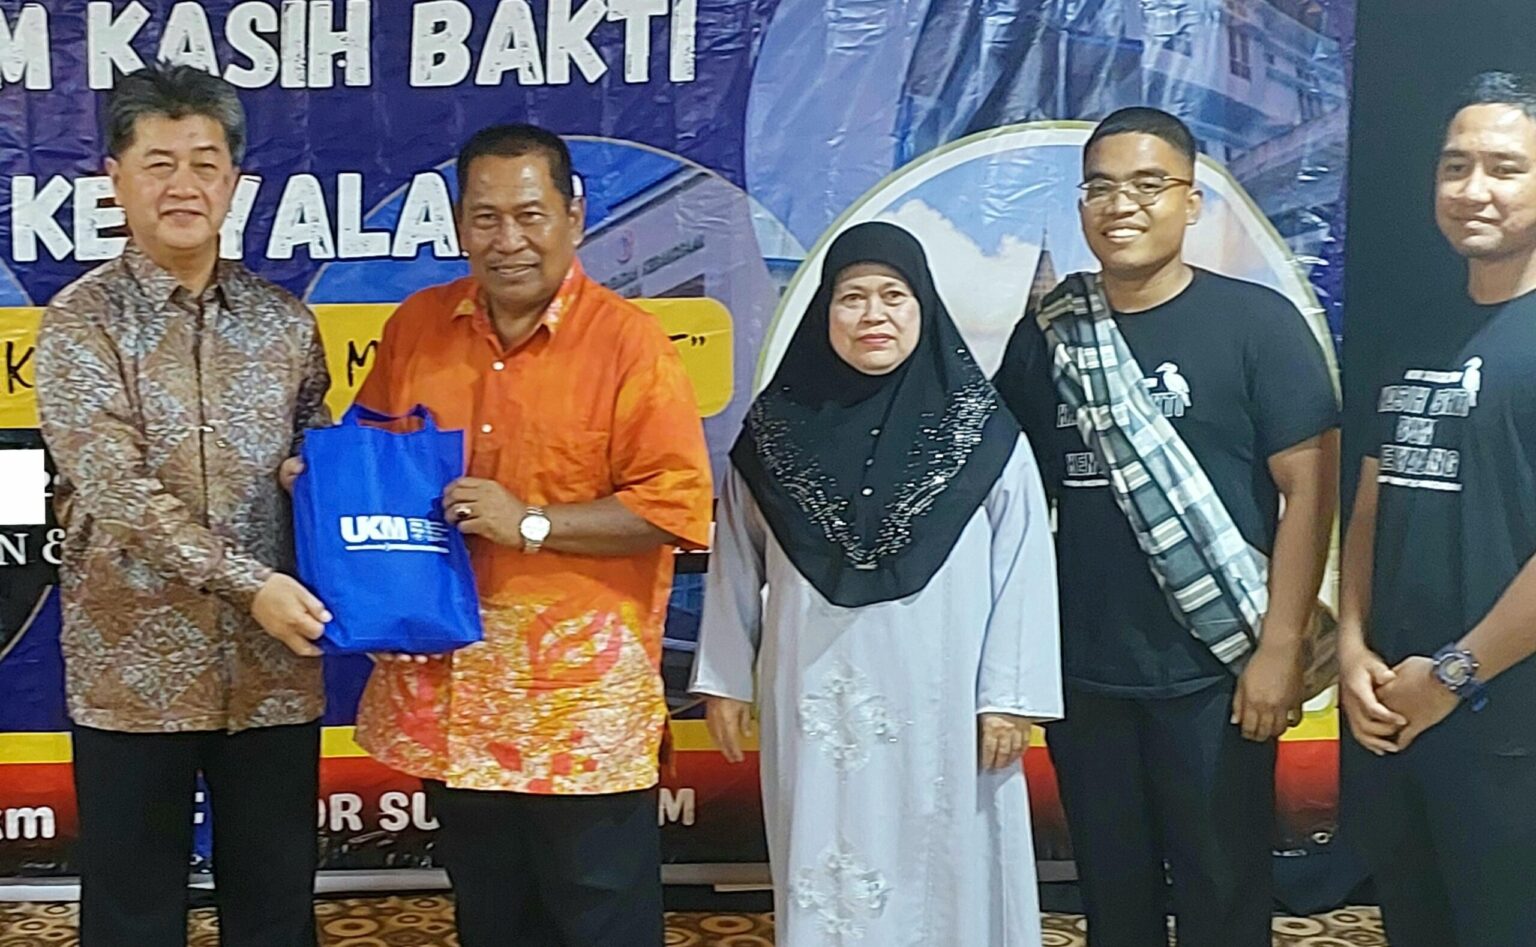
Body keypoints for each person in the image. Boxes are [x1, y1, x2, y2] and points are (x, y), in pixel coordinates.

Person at [349, 123, 712, 947]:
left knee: (601, 919)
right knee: (492, 914)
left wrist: (532, 523)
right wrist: (326, 482)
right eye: (485, 218)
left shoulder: (630, 345)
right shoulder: (417, 326)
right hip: (454, 692)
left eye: (529, 215)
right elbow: (372, 454)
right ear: (458, 225)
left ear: (573, 216)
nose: (507, 240)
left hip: (579, 710)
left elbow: (674, 508)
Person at [993, 107, 1339, 947]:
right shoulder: (1052, 335)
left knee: (1224, 891)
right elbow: (1002, 488)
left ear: (1192, 201)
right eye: (1101, 188)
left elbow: (1311, 491)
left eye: (1149, 185)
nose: (1122, 205)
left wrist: (1279, 649)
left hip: (1218, 671)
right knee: (1113, 898)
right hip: (1086, 675)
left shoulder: (1257, 325)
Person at [692, 221, 1063, 946]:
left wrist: (1008, 697)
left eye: (894, 295)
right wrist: (727, 679)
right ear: (824, 311)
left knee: (949, 867)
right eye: (852, 297)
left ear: (924, 306)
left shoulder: (983, 433)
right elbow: (735, 556)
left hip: (949, 706)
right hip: (815, 699)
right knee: (823, 852)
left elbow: (1022, 564)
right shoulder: (773, 434)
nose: (873, 315)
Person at [34, 63, 331, 947]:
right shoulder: (81, 321)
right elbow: (117, 490)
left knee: (276, 906)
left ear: (234, 181)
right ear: (115, 179)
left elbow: (315, 456)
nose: (183, 186)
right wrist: (251, 584)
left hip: (274, 671)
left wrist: (323, 485)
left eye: (205, 163)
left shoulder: (286, 324)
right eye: (158, 164)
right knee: (132, 913)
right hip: (132, 673)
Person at [1339, 71, 1536, 947]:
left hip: (1507, 725)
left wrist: (1455, 672)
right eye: (1455, 166)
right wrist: (1351, 647)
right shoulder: (1413, 328)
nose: (1473, 189)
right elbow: (1372, 502)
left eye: (1505, 167)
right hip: (1394, 710)